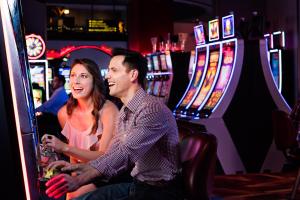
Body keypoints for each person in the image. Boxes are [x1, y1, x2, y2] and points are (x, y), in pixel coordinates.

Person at [45, 48, 183, 200]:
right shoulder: (126, 110)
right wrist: (76, 167)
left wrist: (79, 180)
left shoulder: (152, 109)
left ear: (133, 75)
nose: (108, 76)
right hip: (139, 184)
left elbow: (125, 153)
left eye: (114, 70)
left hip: (159, 191)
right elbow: (112, 152)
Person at [42, 58, 119, 199]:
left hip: (105, 175)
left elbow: (105, 157)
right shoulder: (64, 113)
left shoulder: (108, 110)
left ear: (95, 80)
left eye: (83, 76)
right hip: (80, 173)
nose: (76, 81)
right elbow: (74, 158)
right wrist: (72, 180)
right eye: (73, 75)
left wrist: (64, 148)